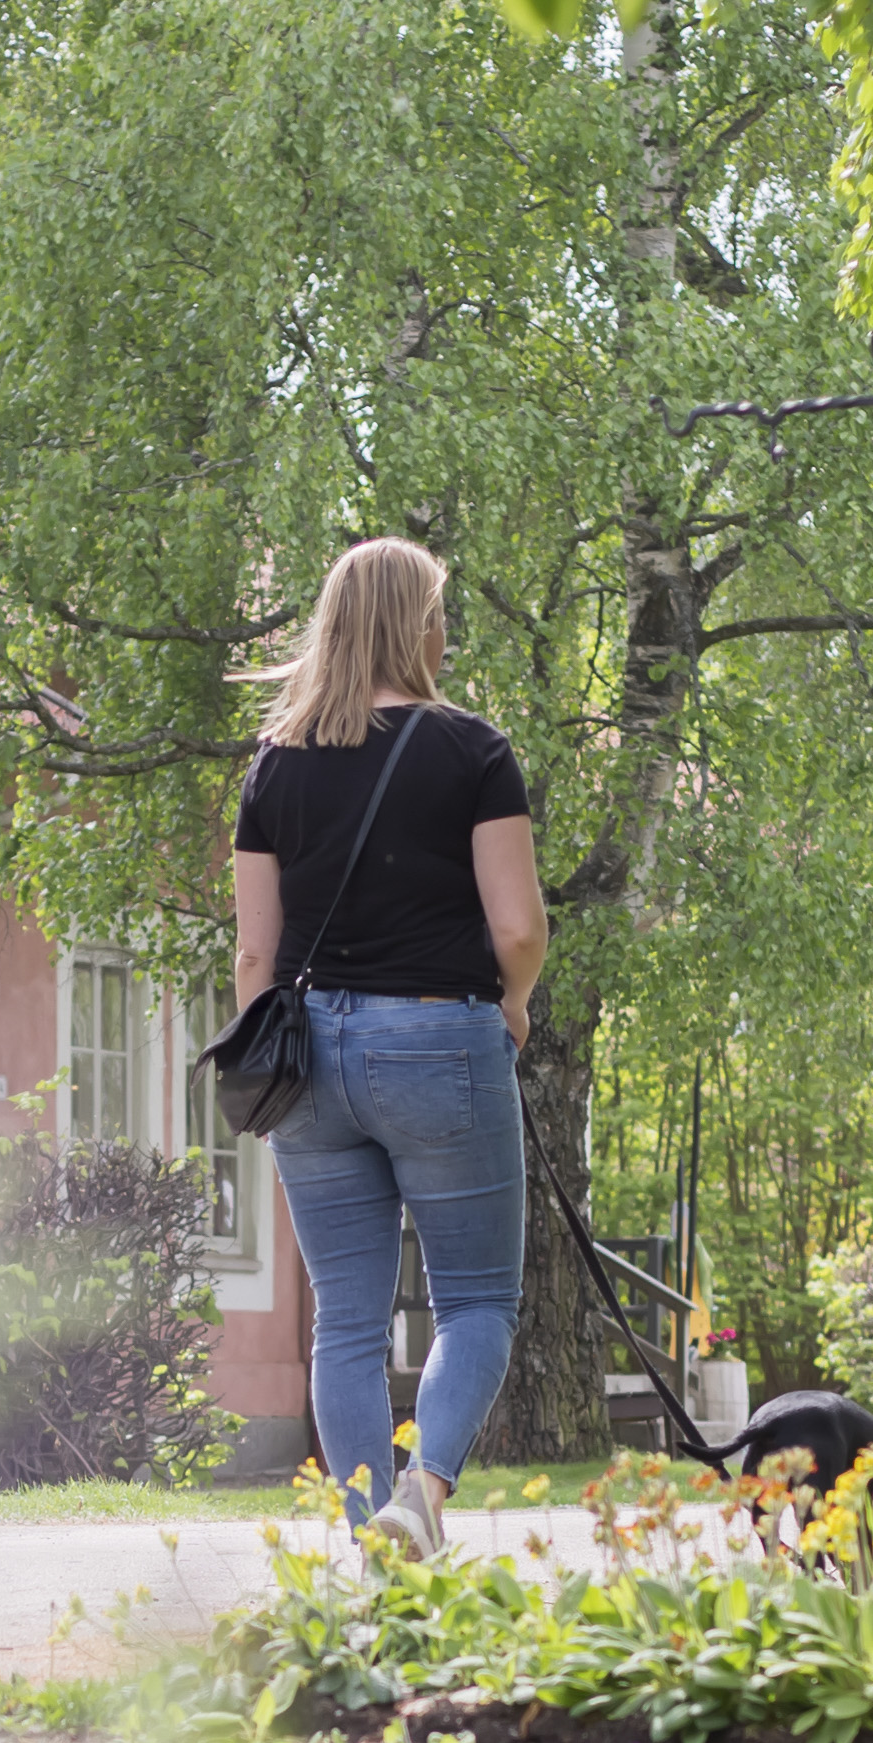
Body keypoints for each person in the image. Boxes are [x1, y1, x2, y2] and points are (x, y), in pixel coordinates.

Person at [233, 538, 548, 1555]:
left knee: (347, 1324)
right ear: (414, 626)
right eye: (438, 614)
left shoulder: (273, 764)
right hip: (438, 1037)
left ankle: (371, 1542)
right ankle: (425, 1495)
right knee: (478, 1300)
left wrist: (282, 1057)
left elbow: (253, 956)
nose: (446, 635)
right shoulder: (473, 752)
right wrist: (515, 1006)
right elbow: (518, 930)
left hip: (308, 1058)